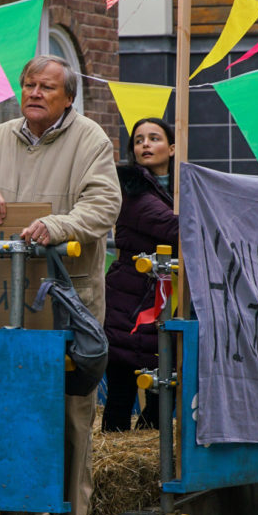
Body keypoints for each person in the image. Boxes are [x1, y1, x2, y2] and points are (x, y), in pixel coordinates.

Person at [0, 54, 121, 515]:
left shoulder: (91, 139)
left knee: (70, 412)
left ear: (68, 97)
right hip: (6, 303)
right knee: (10, 407)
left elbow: (104, 205)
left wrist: (57, 225)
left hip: (67, 300)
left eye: (46, 87)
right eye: (28, 85)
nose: (33, 93)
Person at [102, 117, 179, 432]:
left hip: (159, 298)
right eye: (139, 140)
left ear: (172, 148)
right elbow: (175, 228)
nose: (145, 144)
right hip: (131, 300)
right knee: (123, 385)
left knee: (164, 386)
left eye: (154, 138)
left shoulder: (178, 189)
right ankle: (118, 449)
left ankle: (151, 450)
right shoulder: (134, 192)